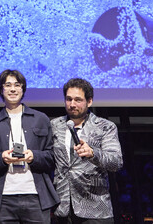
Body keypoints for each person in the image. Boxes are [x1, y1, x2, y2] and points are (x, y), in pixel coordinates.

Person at [0, 69, 59, 223]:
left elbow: (52, 157)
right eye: (8, 85)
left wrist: (34, 156)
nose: (13, 89)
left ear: (23, 89)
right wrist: (1, 158)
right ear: (1, 90)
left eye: (17, 85)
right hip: (3, 198)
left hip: (36, 196)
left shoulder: (40, 119)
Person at [51, 78, 123, 224]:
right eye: (69, 99)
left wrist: (93, 153)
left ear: (89, 101)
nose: (72, 104)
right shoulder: (54, 125)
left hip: (95, 209)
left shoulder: (105, 126)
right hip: (62, 208)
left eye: (78, 100)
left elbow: (116, 162)